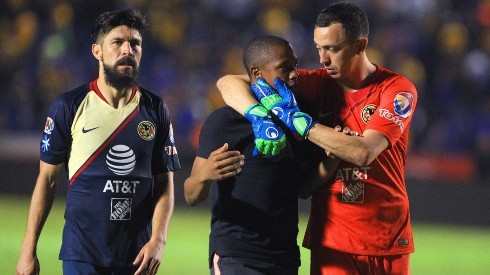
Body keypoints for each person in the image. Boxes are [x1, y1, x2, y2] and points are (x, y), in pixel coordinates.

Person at [217, 2, 418, 274]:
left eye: (333, 49)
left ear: (360, 46)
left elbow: (363, 153)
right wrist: (259, 116)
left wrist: (297, 121)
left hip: (387, 237)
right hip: (333, 238)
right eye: (318, 48)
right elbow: (228, 82)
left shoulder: (397, 89)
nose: (323, 58)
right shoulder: (316, 83)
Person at [16, 9, 180, 275]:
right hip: (82, 254)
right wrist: (27, 251)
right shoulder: (68, 106)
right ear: (97, 51)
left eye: (135, 43)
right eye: (117, 42)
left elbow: (165, 183)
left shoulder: (155, 108)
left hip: (137, 258)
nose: (127, 50)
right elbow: (46, 180)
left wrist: (158, 241)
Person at [184, 35, 339, 275]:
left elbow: (303, 189)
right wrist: (204, 175)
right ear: (256, 73)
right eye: (285, 68)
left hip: (284, 256)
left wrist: (331, 160)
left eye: (295, 65)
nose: (295, 74)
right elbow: (192, 195)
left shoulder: (300, 118)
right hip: (236, 254)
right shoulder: (226, 121)